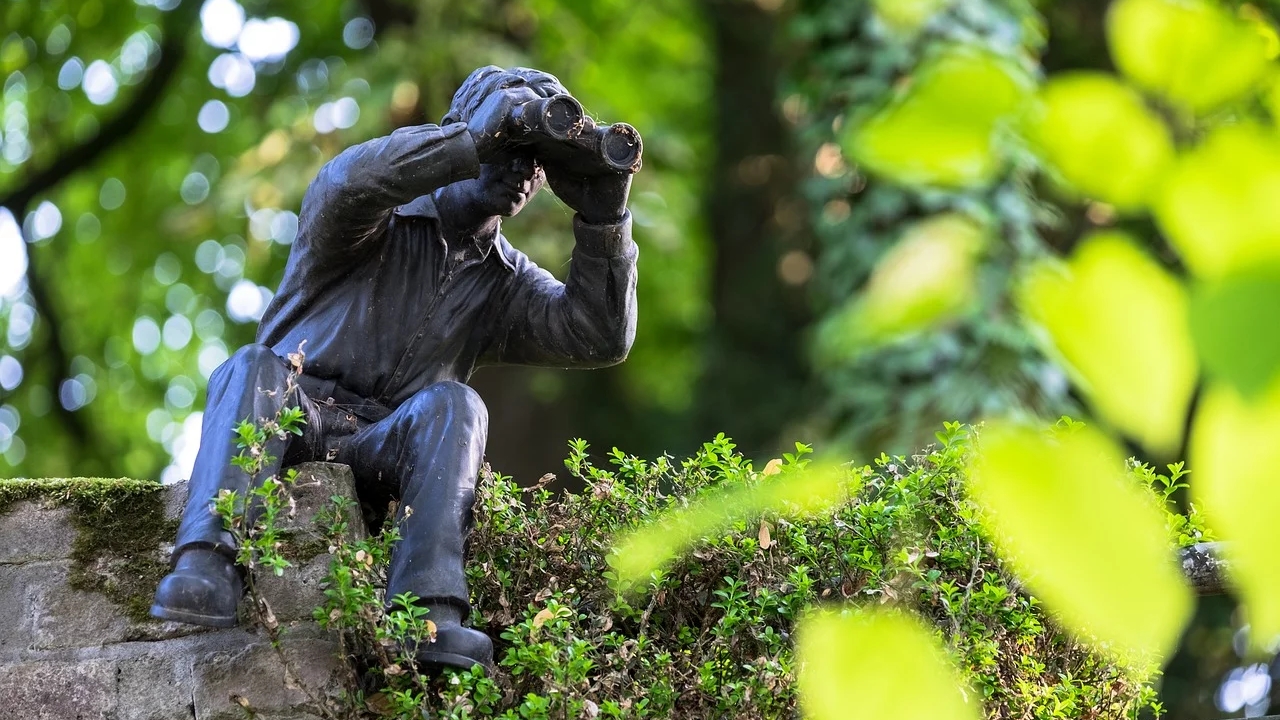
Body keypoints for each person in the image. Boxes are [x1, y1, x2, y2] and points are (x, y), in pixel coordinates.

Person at [150, 66, 639, 673]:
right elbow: (347, 182)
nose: (522, 172)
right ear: (470, 131)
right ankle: (205, 560)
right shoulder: (372, 212)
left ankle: (426, 616)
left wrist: (604, 220)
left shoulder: (503, 279)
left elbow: (597, 335)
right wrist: (468, 143)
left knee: (456, 404)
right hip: (287, 413)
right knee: (251, 367)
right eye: (513, 148)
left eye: (537, 161)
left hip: (379, 448)